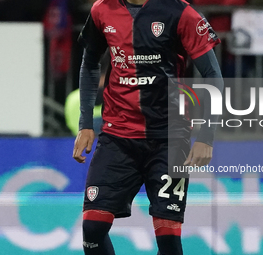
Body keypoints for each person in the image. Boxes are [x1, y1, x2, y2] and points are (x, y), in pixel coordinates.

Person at [72, 0, 223, 254]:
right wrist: (85, 124)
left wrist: (206, 137)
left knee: (168, 239)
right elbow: (89, 65)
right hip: (117, 137)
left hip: (169, 139)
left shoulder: (180, 12)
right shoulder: (101, 10)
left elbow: (213, 76)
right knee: (92, 229)